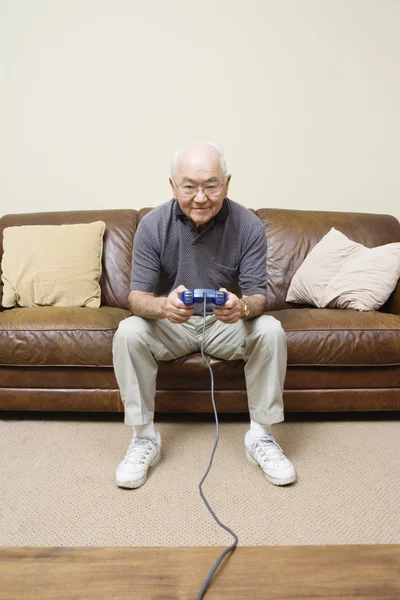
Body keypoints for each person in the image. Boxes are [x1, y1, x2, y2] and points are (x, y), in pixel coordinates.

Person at [112, 141, 296, 489]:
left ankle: (260, 436)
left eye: (211, 185)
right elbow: (136, 298)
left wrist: (240, 306)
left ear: (226, 183)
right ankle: (144, 438)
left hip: (225, 324)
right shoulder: (153, 226)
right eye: (190, 186)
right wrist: (164, 306)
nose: (201, 197)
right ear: (172, 186)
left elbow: (258, 297)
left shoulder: (249, 226)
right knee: (128, 331)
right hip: (172, 324)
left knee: (270, 329)